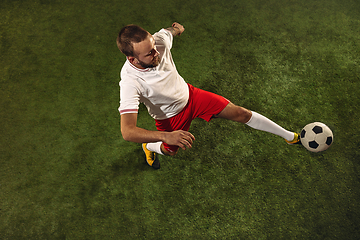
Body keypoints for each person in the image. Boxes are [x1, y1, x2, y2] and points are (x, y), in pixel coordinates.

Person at [116, 22, 300, 169]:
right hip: (170, 118)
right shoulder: (130, 82)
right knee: (171, 151)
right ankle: (149, 147)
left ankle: (289, 136)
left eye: (154, 47)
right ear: (132, 59)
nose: (157, 53)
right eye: (150, 54)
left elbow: (167, 33)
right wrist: (165, 137)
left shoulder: (159, 42)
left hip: (192, 96)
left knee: (241, 113)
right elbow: (128, 131)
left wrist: (176, 29)